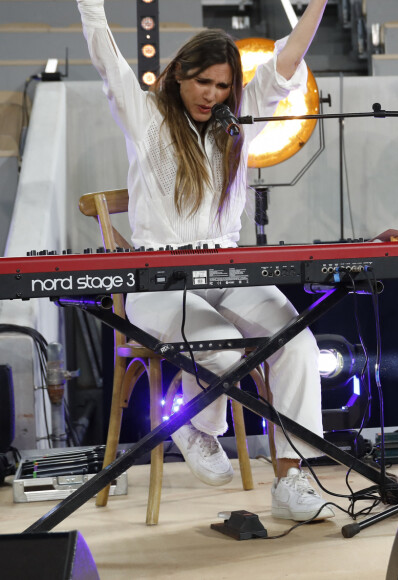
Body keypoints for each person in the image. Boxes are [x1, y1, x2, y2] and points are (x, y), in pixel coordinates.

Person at [77, 0, 334, 521]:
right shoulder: (144, 111)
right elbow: (105, 55)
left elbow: (288, 61)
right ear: (179, 75)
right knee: (224, 349)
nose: (212, 95)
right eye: (203, 83)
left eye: (222, 87)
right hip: (157, 282)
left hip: (227, 270)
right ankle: (196, 426)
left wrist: (319, 5)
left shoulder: (235, 123)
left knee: (298, 343)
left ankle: (290, 480)